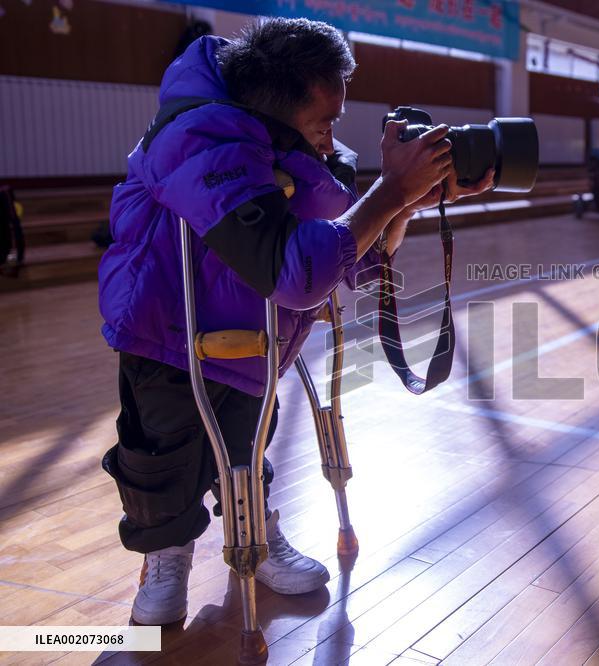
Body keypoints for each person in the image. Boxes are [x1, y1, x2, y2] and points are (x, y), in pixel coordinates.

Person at [98, 18, 492, 626]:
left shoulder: (289, 148)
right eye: (326, 116)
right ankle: (165, 555)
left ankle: (257, 535)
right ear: (279, 107)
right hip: (165, 333)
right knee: (161, 458)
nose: (333, 132)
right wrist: (390, 188)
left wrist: (410, 195)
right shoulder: (199, 138)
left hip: (255, 340)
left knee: (249, 448)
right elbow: (295, 273)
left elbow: (355, 251)